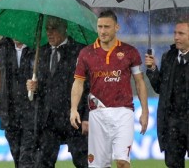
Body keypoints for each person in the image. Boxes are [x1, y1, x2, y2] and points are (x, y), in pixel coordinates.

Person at [70, 10, 149, 168]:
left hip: (124, 113)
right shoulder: (86, 53)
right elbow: (78, 83)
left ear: (117, 27)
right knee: (98, 165)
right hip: (97, 114)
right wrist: (73, 108)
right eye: (100, 27)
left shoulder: (129, 52)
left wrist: (145, 112)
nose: (103, 31)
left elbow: (139, 82)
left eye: (107, 27)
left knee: (122, 162)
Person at [27, 15, 89, 168]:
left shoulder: (80, 51)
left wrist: (87, 116)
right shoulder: (41, 52)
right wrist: (34, 88)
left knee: (83, 162)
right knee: (43, 163)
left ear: (64, 29)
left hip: (74, 117)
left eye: (53, 29)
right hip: (48, 119)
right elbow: (42, 86)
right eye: (47, 29)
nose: (49, 33)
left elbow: (88, 87)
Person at [145, 19, 189, 168]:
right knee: (172, 163)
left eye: (181, 33)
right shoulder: (168, 57)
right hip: (172, 122)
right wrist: (152, 69)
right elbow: (159, 88)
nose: (176, 37)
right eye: (175, 33)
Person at [0, 37, 36, 168]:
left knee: (26, 159)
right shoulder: (1, 49)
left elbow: (48, 77)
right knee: (18, 158)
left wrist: (38, 85)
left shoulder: (36, 50)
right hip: (9, 113)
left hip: (31, 112)